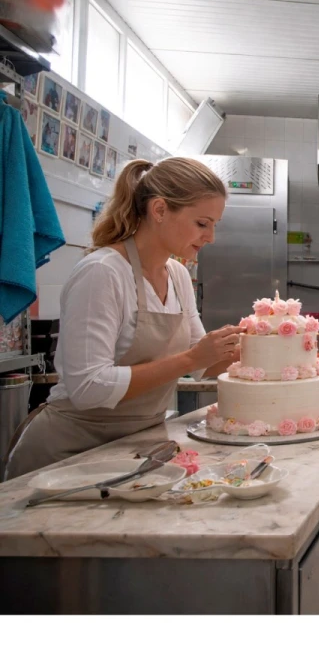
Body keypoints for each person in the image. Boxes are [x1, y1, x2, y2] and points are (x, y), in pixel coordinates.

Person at [4, 157, 245, 479]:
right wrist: (191, 358)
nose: (211, 237)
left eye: (215, 225)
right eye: (202, 223)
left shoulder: (176, 275)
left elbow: (202, 363)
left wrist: (257, 347)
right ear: (159, 210)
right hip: (67, 455)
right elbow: (88, 386)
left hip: (135, 446)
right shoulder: (102, 272)